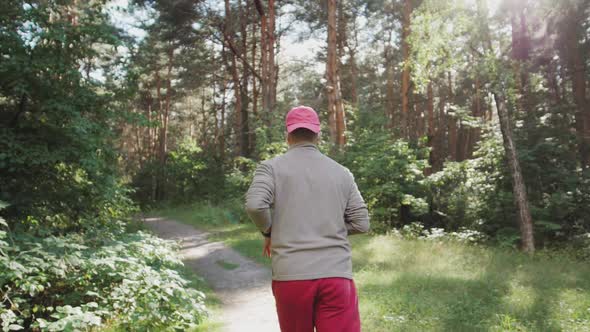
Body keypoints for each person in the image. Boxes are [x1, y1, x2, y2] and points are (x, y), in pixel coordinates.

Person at [245, 105, 370, 332]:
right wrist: (328, 226)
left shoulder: (271, 168)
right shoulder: (342, 172)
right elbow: (361, 222)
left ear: (288, 135)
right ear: (318, 134)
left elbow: (255, 205)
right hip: (336, 275)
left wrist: (270, 231)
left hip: (291, 276)